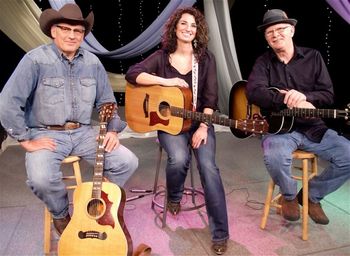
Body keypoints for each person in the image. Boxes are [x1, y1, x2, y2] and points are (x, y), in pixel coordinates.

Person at [0, 3, 138, 235]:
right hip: (46, 133)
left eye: (78, 31)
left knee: (127, 161)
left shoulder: (92, 63)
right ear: (54, 31)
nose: (72, 35)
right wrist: (24, 139)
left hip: (85, 132)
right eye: (65, 29)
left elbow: (107, 101)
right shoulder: (35, 61)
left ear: (83, 34)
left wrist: (113, 130)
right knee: (42, 178)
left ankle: (100, 203)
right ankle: (61, 214)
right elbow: (7, 102)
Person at [125, 7, 229, 255]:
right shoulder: (162, 57)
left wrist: (203, 127)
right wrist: (165, 81)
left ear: (198, 31)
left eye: (193, 25)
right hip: (170, 124)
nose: (188, 28)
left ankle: (221, 233)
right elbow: (132, 74)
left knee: (208, 168)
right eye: (184, 23)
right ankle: (174, 196)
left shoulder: (206, 59)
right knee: (179, 158)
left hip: (198, 122)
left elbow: (210, 100)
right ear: (175, 27)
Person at [246, 9, 350, 224]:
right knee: (274, 155)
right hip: (280, 128)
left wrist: (305, 96)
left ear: (292, 30)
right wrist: (283, 99)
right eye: (270, 32)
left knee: (348, 155)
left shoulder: (313, 57)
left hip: (314, 128)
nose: (276, 35)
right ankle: (290, 195)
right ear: (266, 38)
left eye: (281, 29)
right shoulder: (263, 62)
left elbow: (327, 94)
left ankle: (311, 195)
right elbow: (253, 91)